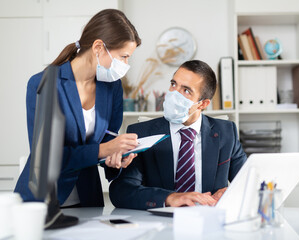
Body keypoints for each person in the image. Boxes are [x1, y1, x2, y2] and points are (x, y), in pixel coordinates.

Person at [15, 9, 141, 207]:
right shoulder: (44, 83)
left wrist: (117, 157)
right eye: (123, 56)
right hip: (41, 201)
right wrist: (104, 149)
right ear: (98, 46)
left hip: (87, 198)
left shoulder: (112, 86)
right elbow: (47, 156)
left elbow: (109, 135)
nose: (126, 65)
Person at [109, 60, 247, 209]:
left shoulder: (226, 133)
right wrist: (169, 198)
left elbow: (251, 182)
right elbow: (121, 191)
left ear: (202, 104)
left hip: (209, 220)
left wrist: (231, 192)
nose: (174, 93)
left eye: (186, 90)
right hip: (160, 222)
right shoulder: (141, 133)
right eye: (174, 84)